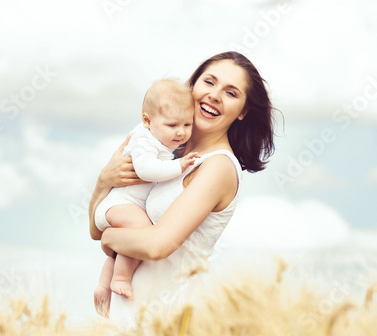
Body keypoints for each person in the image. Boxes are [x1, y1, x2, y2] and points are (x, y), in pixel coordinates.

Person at [89, 51, 275, 330]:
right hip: (126, 314)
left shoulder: (218, 166)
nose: (214, 95)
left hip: (164, 318)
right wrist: (103, 182)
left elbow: (156, 245)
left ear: (243, 112)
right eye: (209, 82)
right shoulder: (164, 153)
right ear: (193, 86)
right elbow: (96, 228)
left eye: (231, 93)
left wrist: (110, 241)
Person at [93, 78, 200, 317]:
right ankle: (121, 277)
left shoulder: (159, 136)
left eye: (187, 124)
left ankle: (103, 286)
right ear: (146, 121)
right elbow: (146, 170)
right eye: (172, 125)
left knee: (126, 245)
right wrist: (180, 166)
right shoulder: (143, 139)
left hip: (126, 205)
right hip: (119, 203)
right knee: (141, 232)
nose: (181, 132)